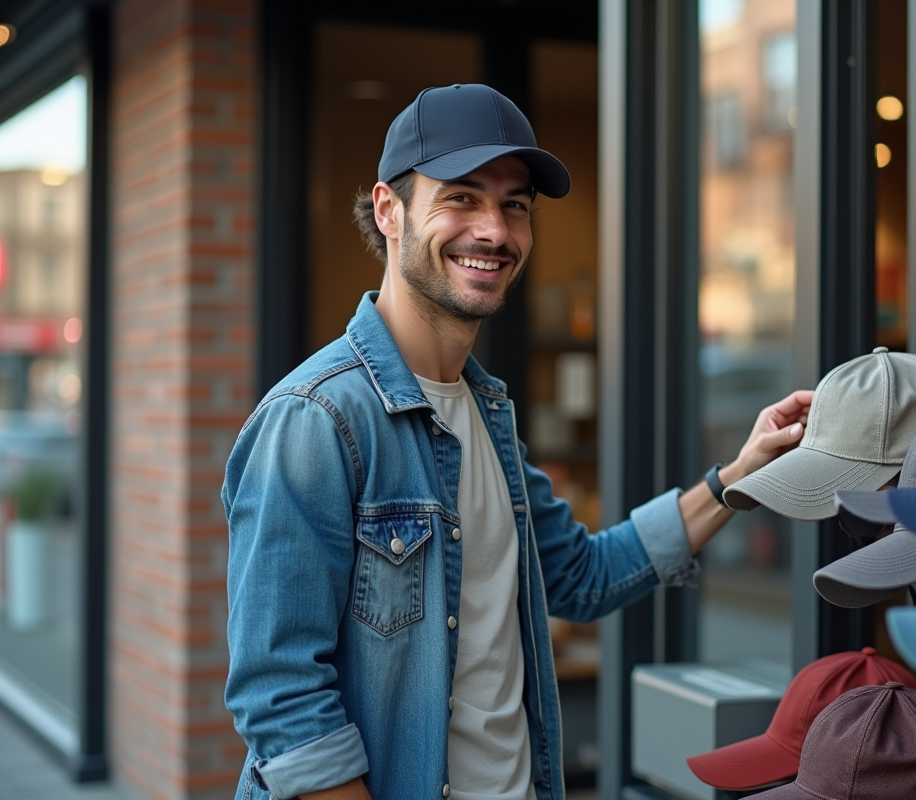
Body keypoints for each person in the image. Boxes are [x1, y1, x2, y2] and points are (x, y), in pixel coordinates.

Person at [222, 83, 813, 800]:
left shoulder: (484, 411)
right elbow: (282, 699)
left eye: (515, 205)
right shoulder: (316, 419)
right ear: (389, 210)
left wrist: (735, 481)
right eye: (462, 197)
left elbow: (583, 577)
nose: (495, 231)